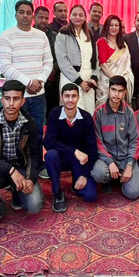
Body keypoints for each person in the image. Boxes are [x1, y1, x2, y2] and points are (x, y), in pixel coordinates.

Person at [0, 80, 44, 231]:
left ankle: (16, 193)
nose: (11, 104)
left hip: (21, 168)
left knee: (34, 206)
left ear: (23, 101)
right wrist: (10, 170)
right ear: (2, 99)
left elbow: (35, 155)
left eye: (16, 99)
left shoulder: (30, 123)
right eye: (7, 98)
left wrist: (30, 179)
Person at [0, 0, 53, 141]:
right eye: (21, 12)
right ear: (15, 15)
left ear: (33, 16)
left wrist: (39, 81)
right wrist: (29, 82)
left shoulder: (41, 36)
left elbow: (48, 61)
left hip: (39, 94)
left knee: (37, 134)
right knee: (15, 135)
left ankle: (35, 157)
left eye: (28, 13)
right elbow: (5, 66)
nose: (25, 16)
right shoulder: (6, 35)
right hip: (16, 96)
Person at [44, 83, 99, 212]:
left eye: (73, 96)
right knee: (50, 155)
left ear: (78, 97)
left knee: (90, 195)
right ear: (61, 97)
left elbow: (92, 149)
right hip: (61, 158)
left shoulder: (86, 117)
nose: (70, 100)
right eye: (67, 96)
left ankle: (76, 180)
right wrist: (73, 151)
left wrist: (84, 175)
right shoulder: (54, 114)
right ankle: (57, 191)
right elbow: (48, 142)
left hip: (79, 161)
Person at [91, 76, 139, 199]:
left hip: (125, 158)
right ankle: (109, 179)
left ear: (124, 93)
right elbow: (97, 141)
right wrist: (109, 162)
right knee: (98, 173)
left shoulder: (129, 112)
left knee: (133, 193)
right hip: (106, 158)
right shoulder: (99, 112)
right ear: (108, 90)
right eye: (113, 90)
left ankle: (122, 177)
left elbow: (135, 141)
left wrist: (130, 165)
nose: (116, 94)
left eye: (120, 91)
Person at [55, 4, 99, 114]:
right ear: (70, 16)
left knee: (89, 112)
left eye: (80, 15)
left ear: (85, 17)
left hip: (88, 82)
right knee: (73, 113)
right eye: (74, 14)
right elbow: (62, 61)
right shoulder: (63, 34)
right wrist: (79, 82)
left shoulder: (89, 34)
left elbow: (96, 59)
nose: (77, 17)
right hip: (70, 79)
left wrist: (94, 77)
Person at [97, 15, 134, 105]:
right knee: (103, 109)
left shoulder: (123, 45)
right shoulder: (101, 42)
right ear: (106, 27)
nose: (114, 28)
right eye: (111, 25)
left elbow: (127, 66)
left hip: (121, 83)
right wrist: (115, 80)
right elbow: (103, 64)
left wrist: (120, 82)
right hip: (105, 83)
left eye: (116, 25)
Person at [35, 6, 61, 115]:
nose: (44, 20)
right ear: (34, 17)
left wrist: (53, 69)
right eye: (41, 17)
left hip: (51, 81)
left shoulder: (54, 36)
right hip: (33, 80)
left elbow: (59, 56)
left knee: (51, 112)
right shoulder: (29, 34)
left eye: (46, 18)